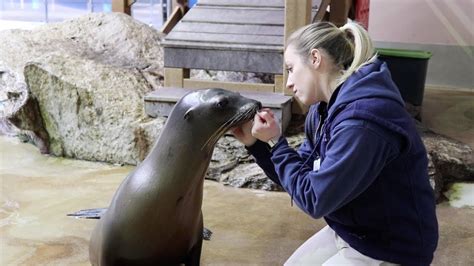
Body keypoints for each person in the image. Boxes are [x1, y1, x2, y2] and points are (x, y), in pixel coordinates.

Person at [232, 21, 438, 265]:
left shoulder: (362, 123)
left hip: (391, 245)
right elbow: (302, 180)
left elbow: (314, 199)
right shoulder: (322, 110)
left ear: (315, 58)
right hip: (353, 230)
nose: (288, 83)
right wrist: (257, 145)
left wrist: (277, 143)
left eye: (290, 68)